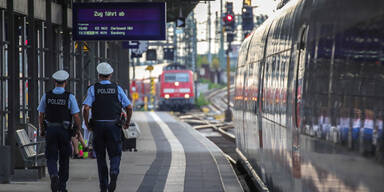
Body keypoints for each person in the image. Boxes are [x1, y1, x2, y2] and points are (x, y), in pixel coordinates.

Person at [83, 62, 133, 192]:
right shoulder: (117, 89)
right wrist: (127, 122)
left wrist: (88, 124)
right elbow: (129, 107)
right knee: (115, 154)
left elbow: (86, 108)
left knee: (100, 157)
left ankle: (103, 187)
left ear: (99, 75)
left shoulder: (93, 89)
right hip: (114, 126)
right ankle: (114, 171)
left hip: (98, 126)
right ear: (110, 75)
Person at [37, 70, 81, 192]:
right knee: (64, 159)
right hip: (64, 131)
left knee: (51, 157)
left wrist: (42, 129)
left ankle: (53, 175)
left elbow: (40, 114)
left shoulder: (46, 95)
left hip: (50, 130)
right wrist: (77, 129)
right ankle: (62, 186)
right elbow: (76, 115)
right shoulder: (69, 97)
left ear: (54, 82)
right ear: (65, 82)